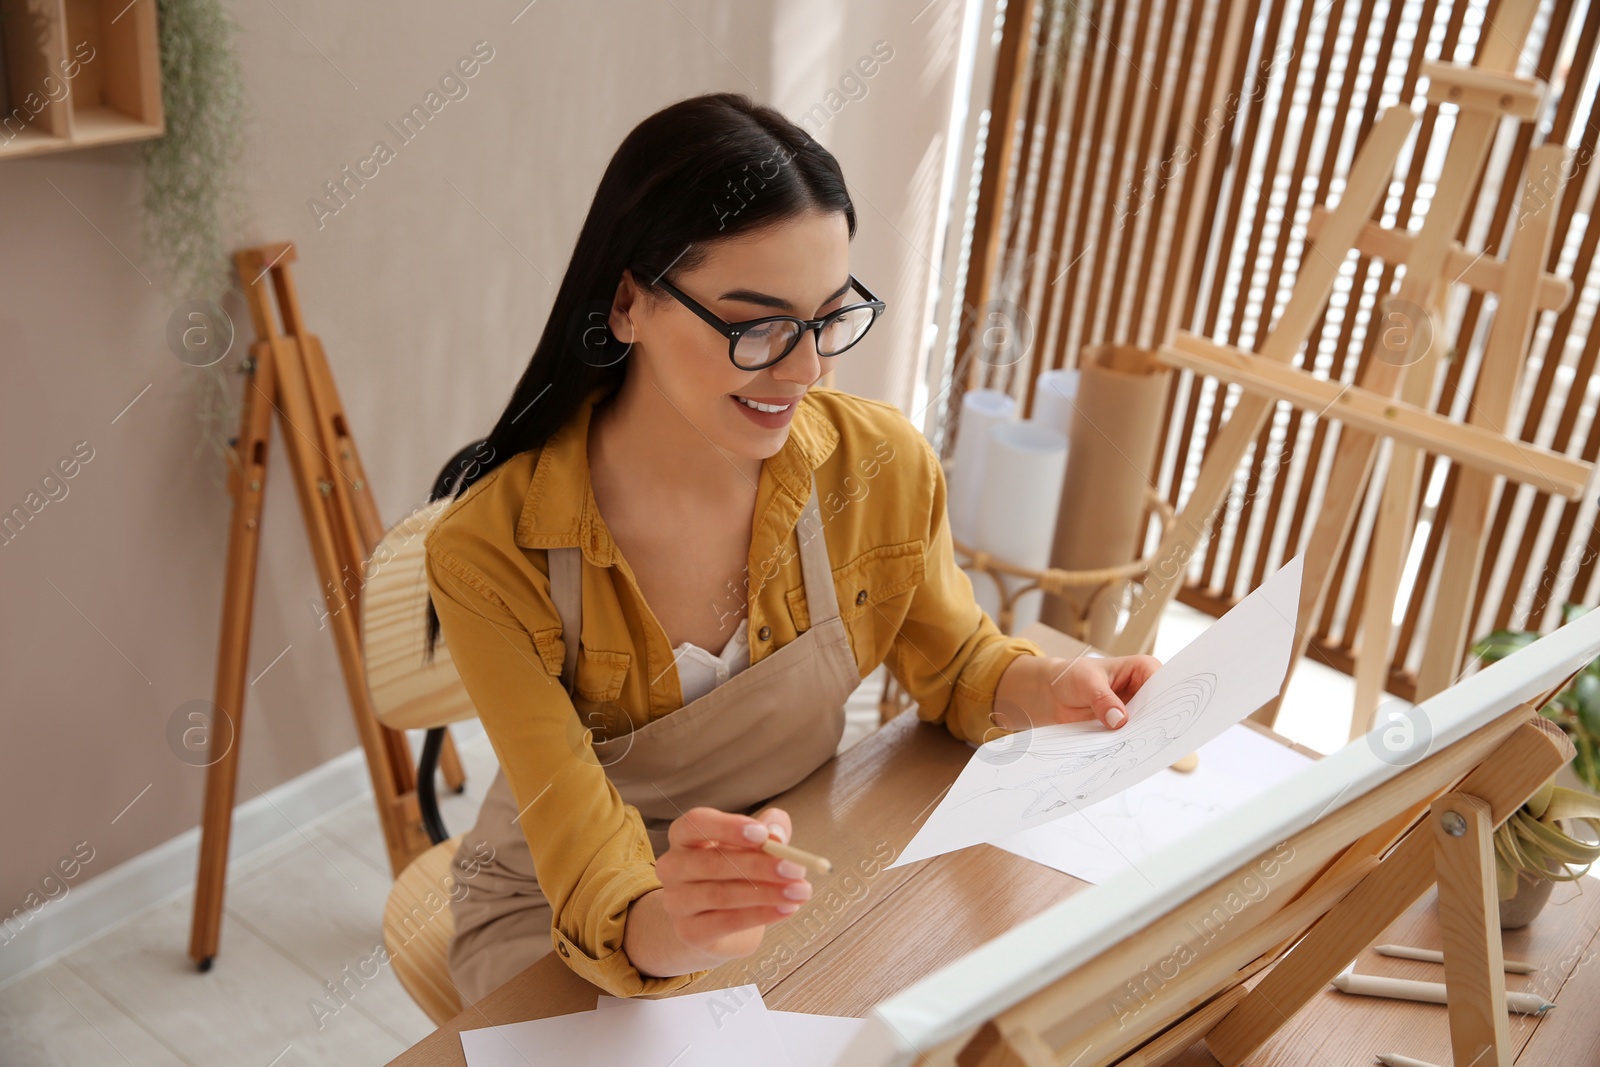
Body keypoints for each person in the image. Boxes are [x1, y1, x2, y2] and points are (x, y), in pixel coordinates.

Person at [420, 91, 1161, 1006]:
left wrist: (1045, 686)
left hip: (797, 846)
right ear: (626, 303)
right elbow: (574, 830)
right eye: (755, 324)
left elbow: (958, 659)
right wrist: (674, 920)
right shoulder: (491, 550)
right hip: (566, 906)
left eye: (827, 319)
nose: (805, 369)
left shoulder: (879, 466)